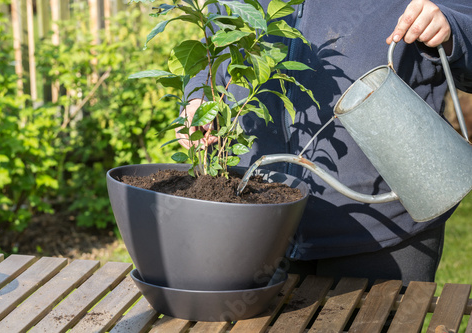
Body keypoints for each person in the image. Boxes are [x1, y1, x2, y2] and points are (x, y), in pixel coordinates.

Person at [177, 0, 472, 286]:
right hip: (256, 219)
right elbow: (213, 42)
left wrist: (451, 29)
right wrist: (197, 99)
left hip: (386, 229)